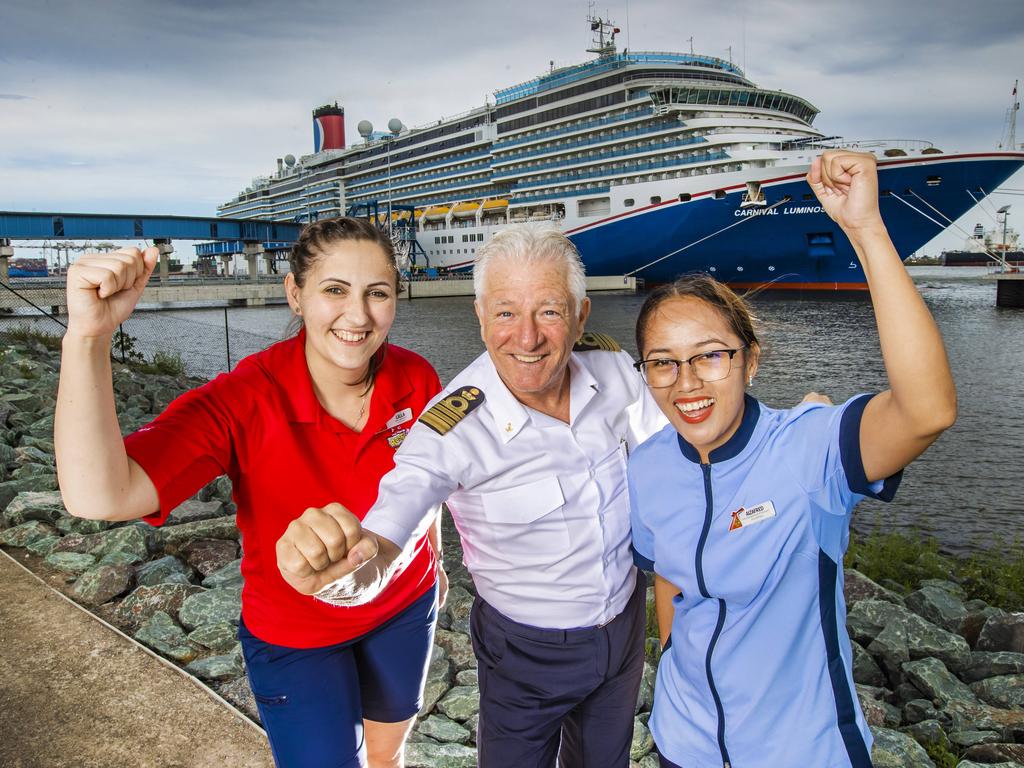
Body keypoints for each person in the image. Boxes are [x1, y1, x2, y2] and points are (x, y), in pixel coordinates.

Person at [54, 217, 446, 768]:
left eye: (376, 294)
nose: (357, 316)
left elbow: (429, 486)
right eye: (334, 290)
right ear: (295, 293)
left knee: (387, 755)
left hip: (405, 603)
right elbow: (100, 495)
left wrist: (439, 563)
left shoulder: (418, 377)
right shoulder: (242, 399)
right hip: (297, 631)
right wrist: (88, 338)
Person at [275, 223, 668, 767]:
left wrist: (791, 428)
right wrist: (338, 577)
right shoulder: (451, 429)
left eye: (549, 311)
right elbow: (389, 530)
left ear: (581, 316)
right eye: (505, 313)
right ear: (480, 316)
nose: (526, 338)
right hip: (524, 654)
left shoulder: (619, 375)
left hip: (623, 634)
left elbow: (692, 433)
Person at [627, 150, 957, 768]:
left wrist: (865, 229)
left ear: (750, 360)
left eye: (710, 355)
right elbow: (665, 572)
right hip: (683, 742)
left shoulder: (808, 451)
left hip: (799, 751)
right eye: (663, 361)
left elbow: (926, 411)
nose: (687, 381)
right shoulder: (647, 466)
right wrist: (674, 654)